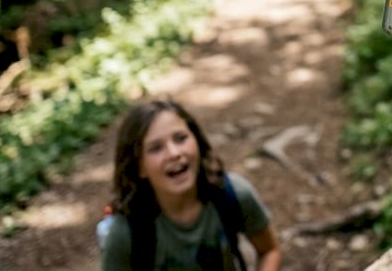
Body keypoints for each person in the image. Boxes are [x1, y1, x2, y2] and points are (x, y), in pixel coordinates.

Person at [100, 98, 281, 271]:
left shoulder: (233, 195)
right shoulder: (125, 234)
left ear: (197, 143)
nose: (174, 153)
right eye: (156, 148)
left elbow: (269, 250)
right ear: (139, 168)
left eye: (180, 138)